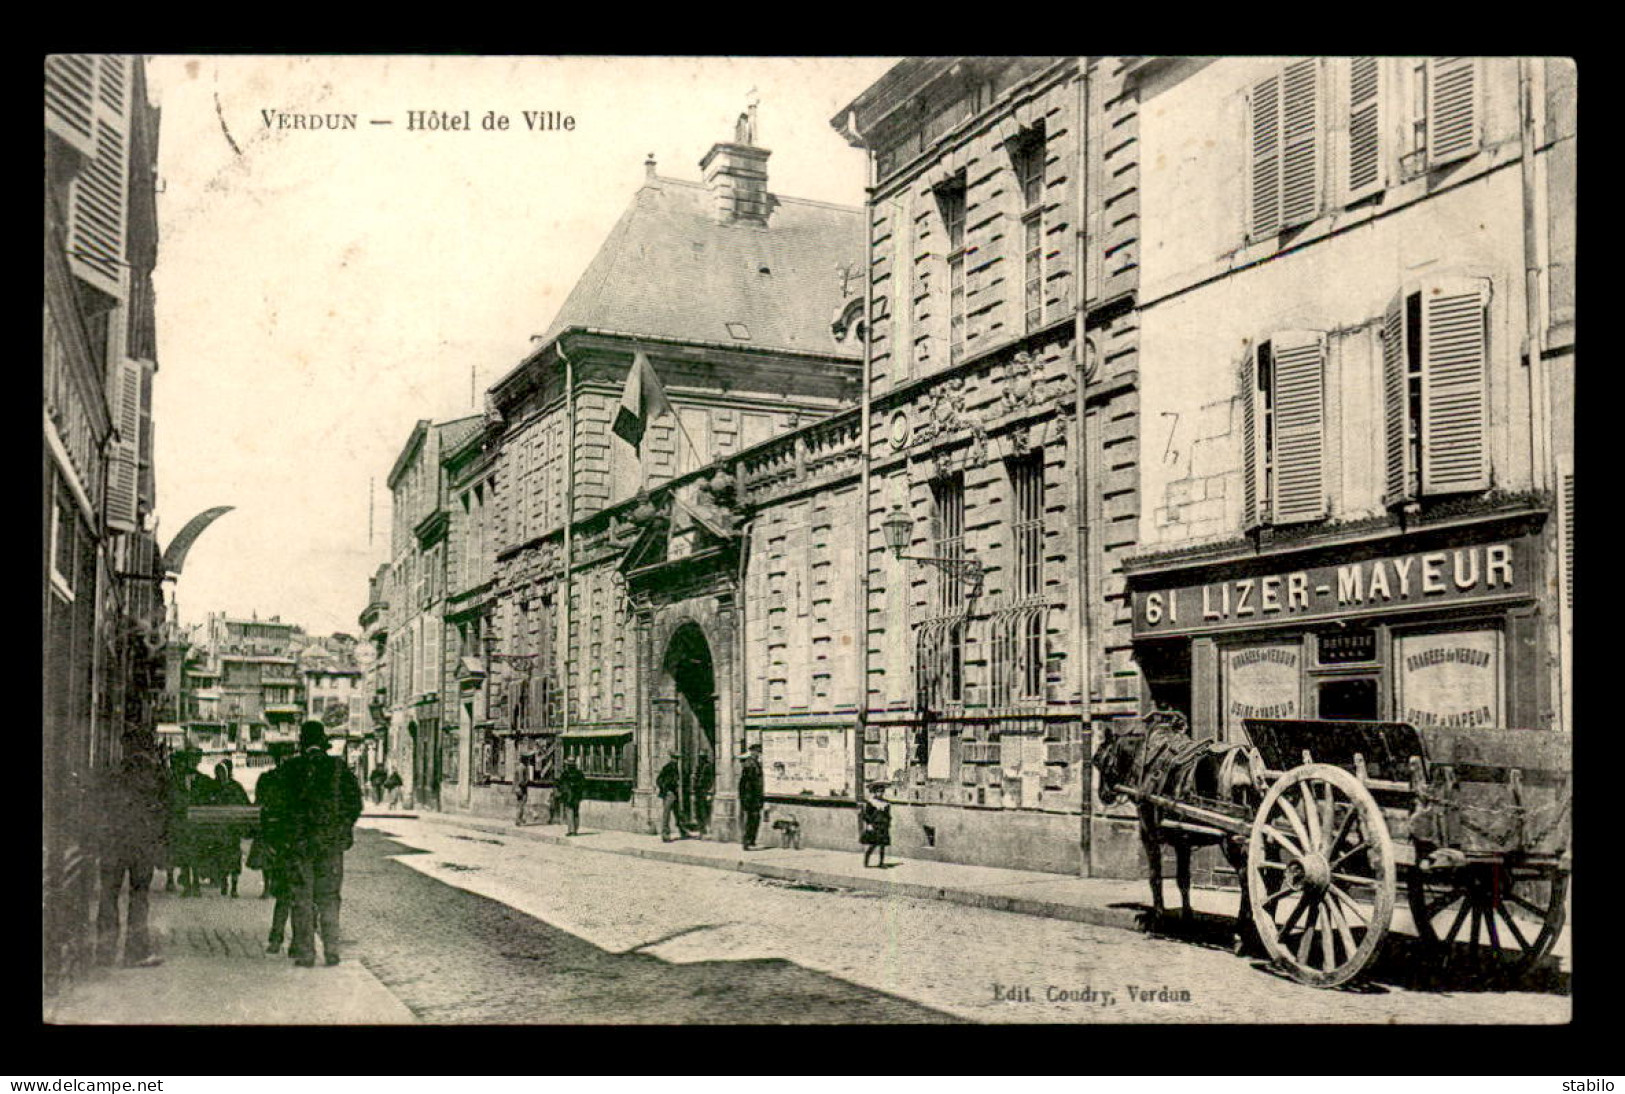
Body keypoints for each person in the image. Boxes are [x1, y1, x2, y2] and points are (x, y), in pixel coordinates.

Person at [271, 721, 364, 968]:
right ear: (323, 744)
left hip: (299, 846)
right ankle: (332, 950)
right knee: (330, 897)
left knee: (302, 897)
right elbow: (355, 804)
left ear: (302, 745)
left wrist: (283, 839)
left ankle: (306, 953)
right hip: (330, 844)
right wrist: (343, 828)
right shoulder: (338, 768)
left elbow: (277, 808)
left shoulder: (290, 769)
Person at [96, 728, 170, 968]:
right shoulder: (156, 775)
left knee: (108, 895)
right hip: (142, 844)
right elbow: (169, 809)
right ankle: (135, 952)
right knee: (139, 896)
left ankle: (104, 952)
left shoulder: (112, 774)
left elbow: (99, 807)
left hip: (113, 843)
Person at [248, 742, 298, 954]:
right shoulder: (271, 780)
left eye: (288, 755)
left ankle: (295, 940)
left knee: (298, 895)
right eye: (283, 756)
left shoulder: (299, 778)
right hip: (280, 842)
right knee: (286, 893)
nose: (285, 760)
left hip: (294, 841)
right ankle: (277, 937)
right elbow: (261, 809)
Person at [210, 760, 250, 897]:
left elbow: (245, 805)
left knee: (234, 858)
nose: (220, 775)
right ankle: (223, 882)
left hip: (232, 830)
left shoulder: (236, 788)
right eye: (218, 773)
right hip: (219, 831)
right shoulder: (213, 787)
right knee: (220, 857)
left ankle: (234, 886)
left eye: (222, 772)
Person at [860, 781, 893, 868]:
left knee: (882, 845)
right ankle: (866, 861)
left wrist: (888, 822)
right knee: (874, 844)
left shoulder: (886, 803)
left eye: (882, 791)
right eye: (878, 791)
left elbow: (888, 814)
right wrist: (869, 824)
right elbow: (866, 814)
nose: (880, 793)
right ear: (875, 792)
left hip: (883, 825)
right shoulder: (871, 802)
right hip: (875, 825)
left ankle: (881, 862)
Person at [737, 744, 764, 851]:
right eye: (757, 752)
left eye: (759, 752)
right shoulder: (750, 764)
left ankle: (751, 841)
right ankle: (748, 842)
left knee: (754, 819)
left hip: (754, 797)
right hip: (751, 798)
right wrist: (748, 799)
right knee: (752, 820)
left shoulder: (754, 763)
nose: (758, 754)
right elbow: (747, 783)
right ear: (752, 752)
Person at [656, 752, 684, 842]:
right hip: (669, 793)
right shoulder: (668, 767)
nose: (676, 760)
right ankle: (665, 834)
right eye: (675, 758)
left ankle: (683, 831)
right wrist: (666, 789)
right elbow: (659, 780)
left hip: (674, 793)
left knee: (678, 813)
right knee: (666, 814)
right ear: (671, 758)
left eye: (677, 759)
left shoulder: (675, 768)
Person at [556, 758, 587, 836]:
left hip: (568, 796)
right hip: (577, 796)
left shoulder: (565, 774)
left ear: (568, 765)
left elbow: (560, 784)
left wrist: (562, 791)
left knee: (569, 812)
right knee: (576, 812)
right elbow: (583, 784)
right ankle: (575, 830)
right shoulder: (579, 773)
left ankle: (571, 830)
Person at [691, 751, 715, 836]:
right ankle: (702, 830)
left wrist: (710, 792)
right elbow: (694, 779)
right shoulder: (698, 767)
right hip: (698, 791)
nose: (701, 759)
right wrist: (693, 792)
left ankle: (706, 830)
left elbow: (712, 779)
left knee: (704, 811)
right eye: (700, 757)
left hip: (705, 791)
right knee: (698, 812)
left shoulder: (708, 766)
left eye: (703, 757)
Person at [513, 754, 531, 826]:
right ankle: (518, 820)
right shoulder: (522, 767)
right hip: (521, 788)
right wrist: (526, 783)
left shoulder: (518, 767)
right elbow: (521, 780)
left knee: (520, 804)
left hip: (517, 788)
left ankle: (520, 819)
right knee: (522, 804)